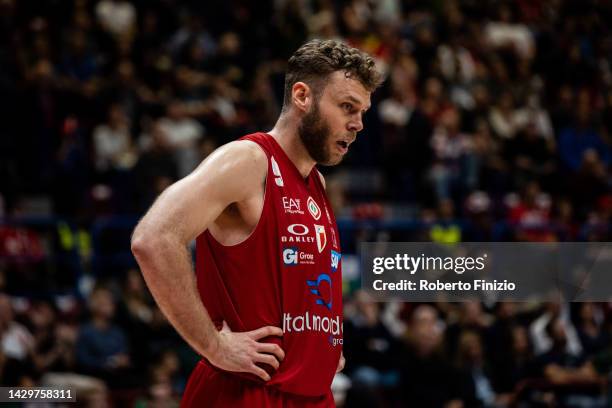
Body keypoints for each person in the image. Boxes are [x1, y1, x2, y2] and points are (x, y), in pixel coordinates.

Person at [131, 39, 382, 407]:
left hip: (312, 394)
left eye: (362, 111)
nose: (357, 124)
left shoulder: (317, 182)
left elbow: (305, 285)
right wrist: (213, 345)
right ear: (302, 96)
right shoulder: (249, 160)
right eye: (347, 107)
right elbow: (153, 238)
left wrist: (319, 350)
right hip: (248, 392)